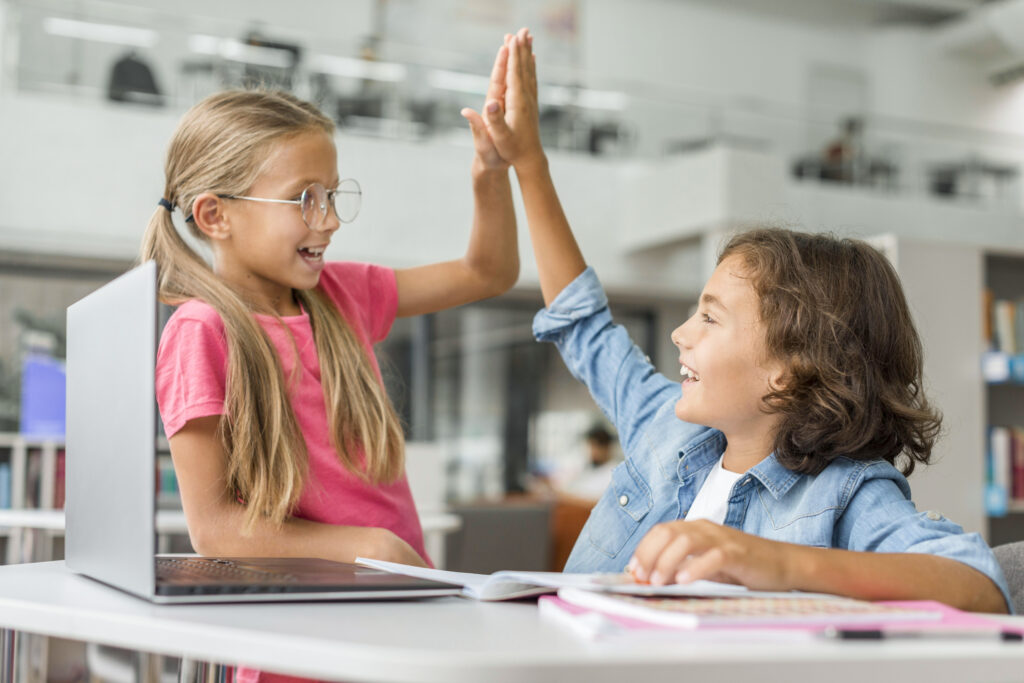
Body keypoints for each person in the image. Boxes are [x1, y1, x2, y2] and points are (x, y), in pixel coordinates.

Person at [481, 28, 1010, 612]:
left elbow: (978, 585)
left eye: (710, 318)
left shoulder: (846, 492)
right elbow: (582, 324)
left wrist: (774, 563)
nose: (682, 333)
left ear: (787, 372)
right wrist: (528, 163)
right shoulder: (667, 430)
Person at [141, 44, 517, 682]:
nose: (331, 220)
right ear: (215, 215)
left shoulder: (342, 296)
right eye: (305, 199)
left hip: (397, 623)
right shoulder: (201, 333)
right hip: (303, 642)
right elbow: (215, 531)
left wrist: (489, 173)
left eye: (334, 195)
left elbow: (490, 271)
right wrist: (367, 548)